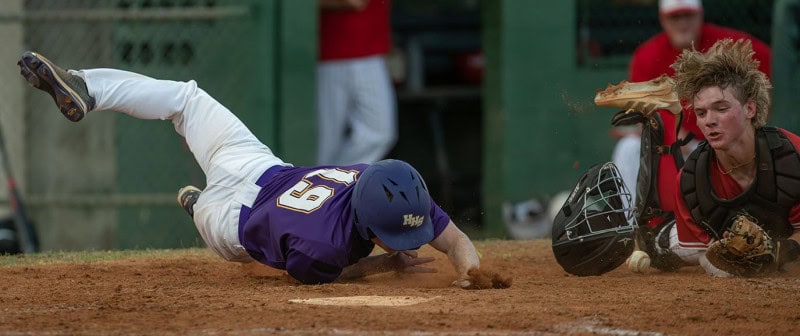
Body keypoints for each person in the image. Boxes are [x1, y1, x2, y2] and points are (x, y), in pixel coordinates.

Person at [17, 51, 483, 286]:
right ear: (367, 224)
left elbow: (456, 242)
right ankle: (196, 203)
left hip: (258, 168)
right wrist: (387, 264)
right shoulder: (324, 246)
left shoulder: (381, 183)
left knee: (186, 100)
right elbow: (329, 274)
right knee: (218, 220)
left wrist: (469, 271)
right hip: (237, 224)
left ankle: (92, 85)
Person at [613, 0, 772, 244]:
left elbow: (765, 68)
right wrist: (666, 133)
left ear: (700, 15)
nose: (683, 23)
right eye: (675, 17)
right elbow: (645, 114)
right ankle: (632, 233)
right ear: (663, 19)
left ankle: (733, 229)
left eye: (688, 15)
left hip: (716, 144)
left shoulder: (727, 43)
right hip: (674, 145)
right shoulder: (648, 54)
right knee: (629, 149)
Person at [654, 39, 799, 276]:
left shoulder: (791, 157)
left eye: (721, 109)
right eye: (701, 113)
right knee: (666, 248)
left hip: (786, 230)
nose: (709, 120)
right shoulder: (692, 180)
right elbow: (709, 256)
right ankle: (657, 241)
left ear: (749, 109)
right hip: (707, 238)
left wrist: (782, 251)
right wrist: (739, 262)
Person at [316, 0, 397, 165]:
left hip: (369, 52)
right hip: (338, 51)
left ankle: (332, 182)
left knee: (379, 133)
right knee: (326, 141)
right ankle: (324, 183)